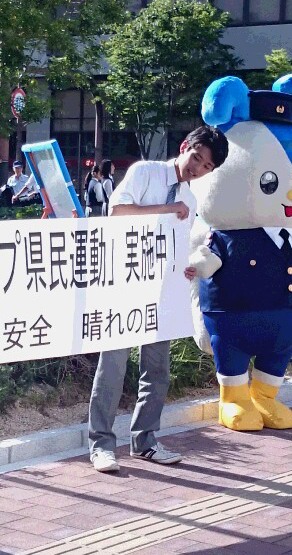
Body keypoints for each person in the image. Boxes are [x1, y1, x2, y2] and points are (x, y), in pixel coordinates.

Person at [88, 125, 229, 473]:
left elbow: (177, 244)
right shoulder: (146, 172)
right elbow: (118, 211)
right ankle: (101, 445)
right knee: (113, 367)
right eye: (197, 158)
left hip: (160, 289)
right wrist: (169, 208)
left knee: (158, 369)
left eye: (207, 167)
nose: (198, 168)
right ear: (184, 147)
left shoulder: (191, 200)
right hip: (122, 284)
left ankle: (145, 441)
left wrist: (186, 268)